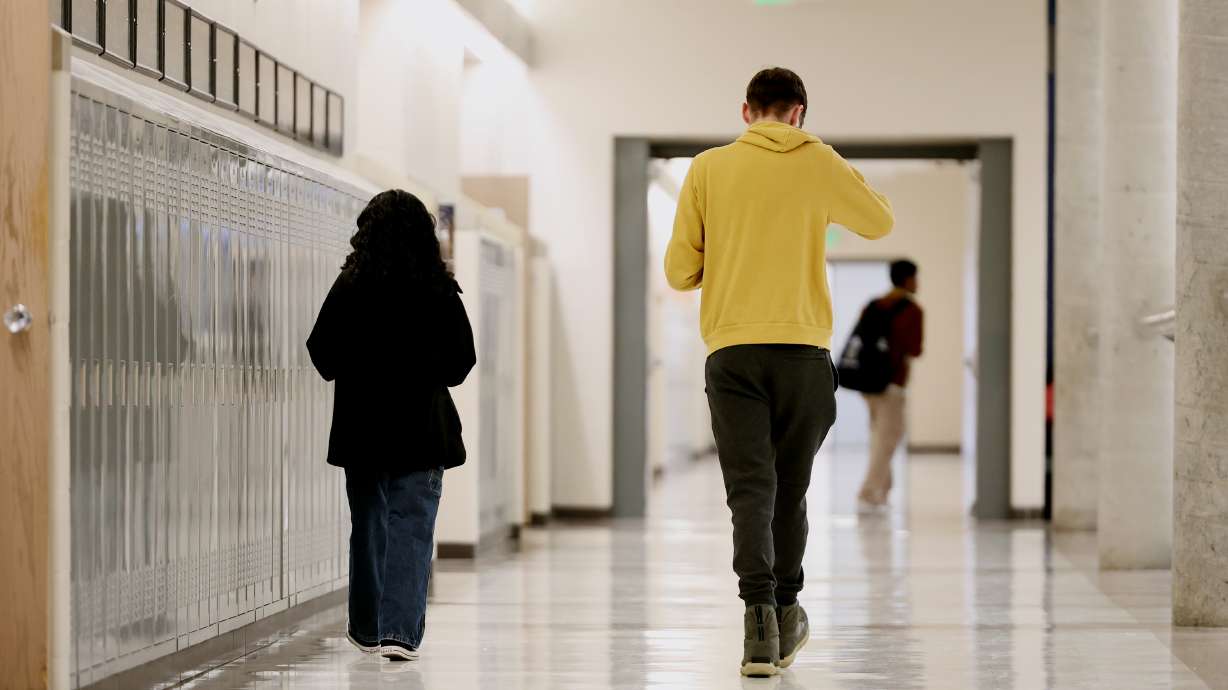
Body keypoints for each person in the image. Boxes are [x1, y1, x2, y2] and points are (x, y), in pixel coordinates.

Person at [664, 67, 893, 677]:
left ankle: (758, 625)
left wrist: (728, 257)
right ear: (800, 113)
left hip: (732, 353)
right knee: (790, 489)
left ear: (746, 111)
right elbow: (879, 221)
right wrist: (824, 161)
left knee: (749, 490)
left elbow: (678, 271)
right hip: (802, 354)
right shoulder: (818, 161)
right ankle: (788, 609)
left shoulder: (708, 167)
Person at [307, 189, 475, 662]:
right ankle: (399, 633)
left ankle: (365, 628)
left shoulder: (351, 285)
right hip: (421, 432)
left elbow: (322, 353)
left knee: (369, 528)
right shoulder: (438, 288)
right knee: (412, 529)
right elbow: (462, 362)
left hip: (363, 432)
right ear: (425, 234)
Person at [854, 260, 923, 512]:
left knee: (879, 436)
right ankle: (868, 491)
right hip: (892, 384)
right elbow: (916, 349)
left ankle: (883, 491)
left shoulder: (873, 305)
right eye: (916, 278)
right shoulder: (912, 311)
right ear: (907, 280)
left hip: (868, 383)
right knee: (889, 438)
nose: (918, 283)